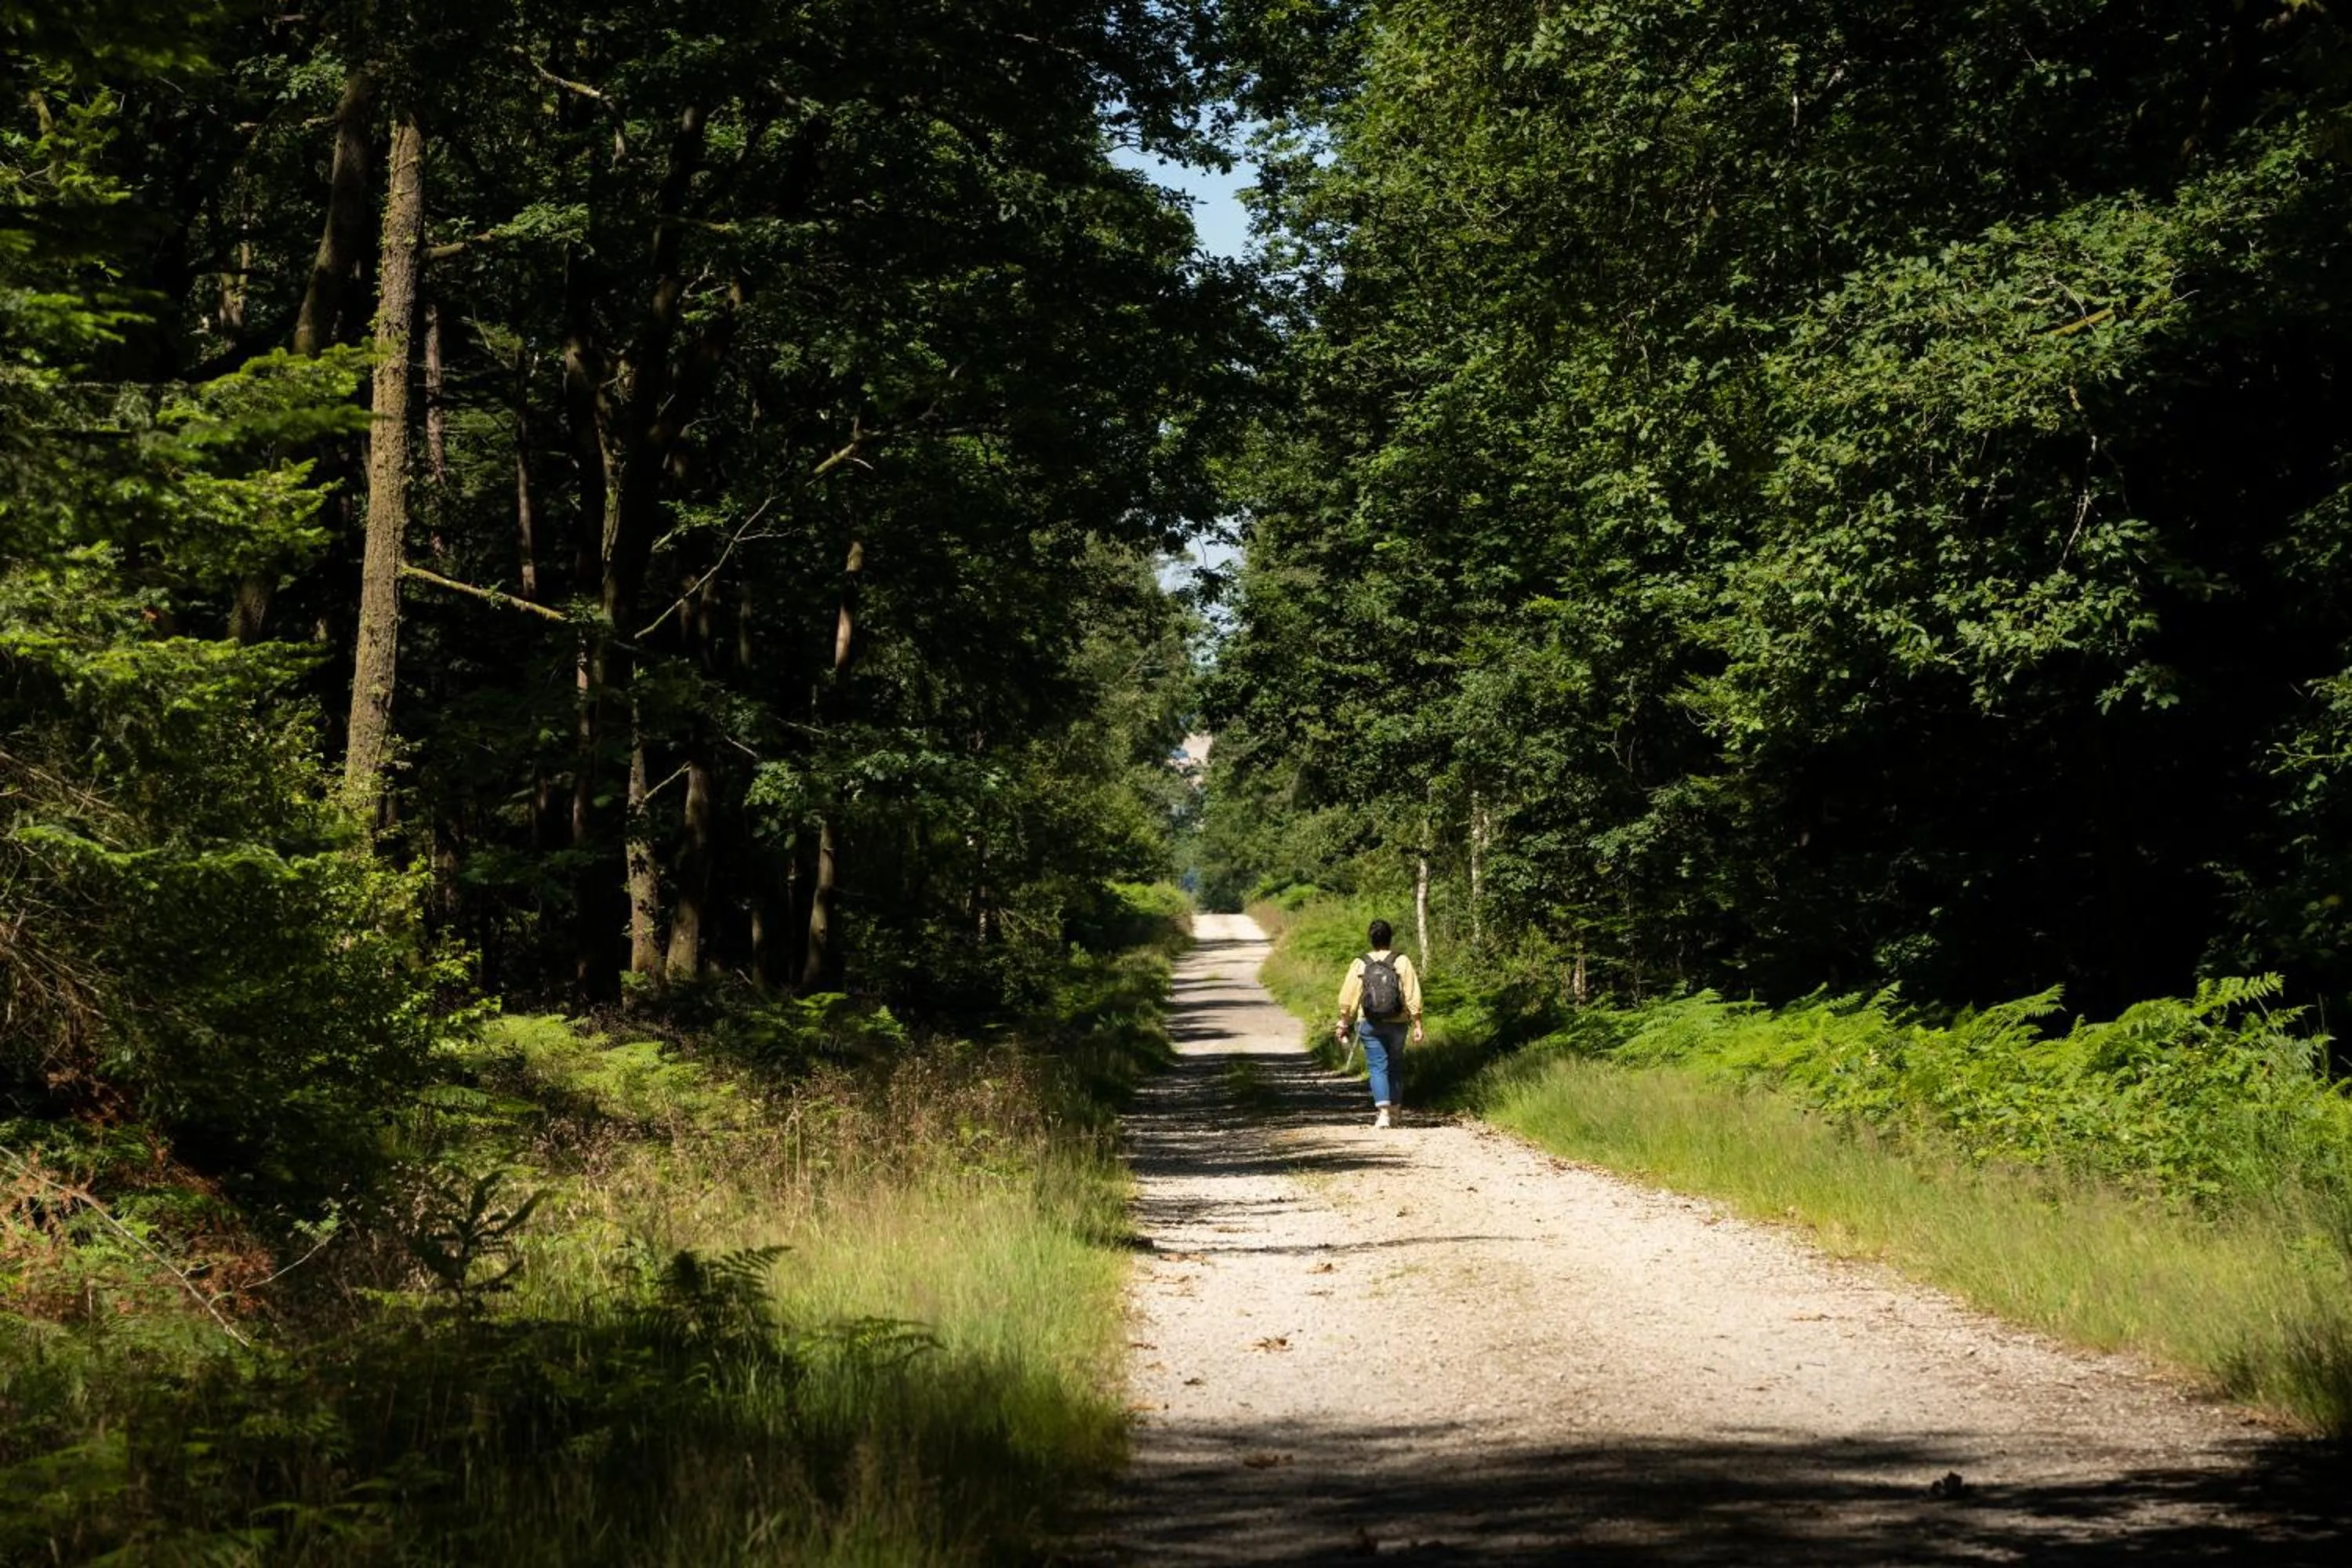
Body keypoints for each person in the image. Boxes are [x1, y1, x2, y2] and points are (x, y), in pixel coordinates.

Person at [1333, 919, 1425, 1128]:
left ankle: (1383, 1114)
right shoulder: (1401, 961)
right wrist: (1418, 1023)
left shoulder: (1361, 963)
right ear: (1390, 937)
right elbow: (1412, 993)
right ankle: (1395, 1112)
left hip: (1369, 1022)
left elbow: (1349, 996)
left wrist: (1343, 1022)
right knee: (1395, 1065)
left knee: (1377, 1066)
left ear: (1371, 939)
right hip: (1398, 1022)